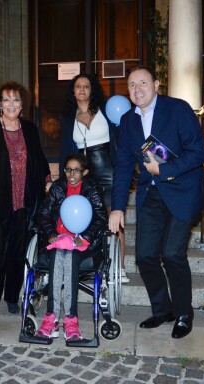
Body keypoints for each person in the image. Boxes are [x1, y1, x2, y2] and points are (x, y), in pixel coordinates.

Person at [108, 66, 204, 339]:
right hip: (151, 194)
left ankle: (184, 312)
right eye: (131, 85)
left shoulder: (178, 109)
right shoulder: (127, 122)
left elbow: (198, 153)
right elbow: (124, 168)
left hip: (183, 191)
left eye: (142, 82)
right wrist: (117, 207)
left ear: (157, 84)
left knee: (173, 253)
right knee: (145, 256)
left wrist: (163, 170)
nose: (137, 89)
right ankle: (163, 310)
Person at [0, 81, 52, 318]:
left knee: (17, 253)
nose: (11, 104)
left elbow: (40, 161)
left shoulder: (30, 129)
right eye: (6, 100)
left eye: (16, 100)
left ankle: (12, 297)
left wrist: (47, 183)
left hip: (24, 203)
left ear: (22, 104)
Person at [59, 74, 128, 283]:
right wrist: (63, 177)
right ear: (73, 91)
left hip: (109, 170)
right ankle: (89, 263)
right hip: (84, 173)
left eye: (86, 86)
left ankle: (121, 267)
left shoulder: (106, 111)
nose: (82, 89)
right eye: (78, 86)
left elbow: (122, 136)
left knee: (113, 217)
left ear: (92, 90)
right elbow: (65, 151)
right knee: (84, 218)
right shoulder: (68, 119)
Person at [35, 153, 107, 341]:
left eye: (76, 170)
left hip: (83, 242)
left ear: (85, 172)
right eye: (68, 170)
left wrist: (86, 237)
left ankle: (71, 320)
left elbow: (100, 217)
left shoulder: (92, 188)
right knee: (60, 255)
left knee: (70, 257)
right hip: (58, 239)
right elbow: (43, 214)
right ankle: (51, 317)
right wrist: (51, 234)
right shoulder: (58, 187)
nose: (71, 174)